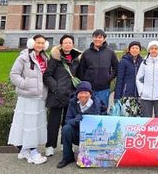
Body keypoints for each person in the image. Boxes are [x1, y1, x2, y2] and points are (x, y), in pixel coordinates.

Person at [8, 34, 50, 165]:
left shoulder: (44, 57)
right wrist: (25, 84)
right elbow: (14, 75)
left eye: (43, 43)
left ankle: (26, 148)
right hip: (28, 97)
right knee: (28, 124)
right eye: (38, 42)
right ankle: (32, 150)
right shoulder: (24, 57)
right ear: (32, 43)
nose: (40, 45)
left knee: (34, 125)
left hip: (40, 96)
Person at [43, 35, 81, 157]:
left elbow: (78, 76)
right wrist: (55, 88)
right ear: (61, 44)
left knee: (68, 122)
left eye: (70, 42)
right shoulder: (55, 58)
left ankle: (66, 144)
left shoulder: (76, 59)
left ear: (73, 44)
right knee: (53, 122)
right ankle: (50, 145)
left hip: (71, 95)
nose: (68, 45)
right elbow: (47, 75)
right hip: (57, 95)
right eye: (65, 43)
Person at [57, 81, 105, 169]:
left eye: (86, 93)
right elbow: (67, 120)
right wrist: (75, 120)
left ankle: (93, 155)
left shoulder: (98, 103)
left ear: (90, 94)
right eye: (81, 93)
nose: (83, 95)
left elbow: (105, 119)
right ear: (77, 94)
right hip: (77, 134)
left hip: (92, 136)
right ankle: (67, 157)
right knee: (66, 129)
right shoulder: (72, 103)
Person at [76, 29, 118, 110]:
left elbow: (116, 68)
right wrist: (85, 81)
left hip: (104, 88)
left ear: (104, 39)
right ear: (92, 38)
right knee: (87, 109)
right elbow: (81, 70)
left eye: (100, 37)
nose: (97, 39)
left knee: (102, 109)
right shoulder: (86, 53)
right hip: (89, 89)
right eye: (95, 37)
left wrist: (109, 77)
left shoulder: (110, 52)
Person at [136, 41, 158, 117]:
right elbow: (139, 78)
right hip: (146, 96)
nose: (154, 50)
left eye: (156, 48)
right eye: (151, 48)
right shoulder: (144, 63)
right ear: (149, 50)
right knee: (146, 118)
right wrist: (142, 91)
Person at [113, 41, 143, 116]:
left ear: (139, 50)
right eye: (133, 48)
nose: (135, 50)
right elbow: (119, 79)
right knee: (126, 116)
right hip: (126, 95)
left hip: (139, 95)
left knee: (138, 117)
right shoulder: (123, 61)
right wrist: (117, 96)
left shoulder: (142, 62)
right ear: (129, 50)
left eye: (137, 48)